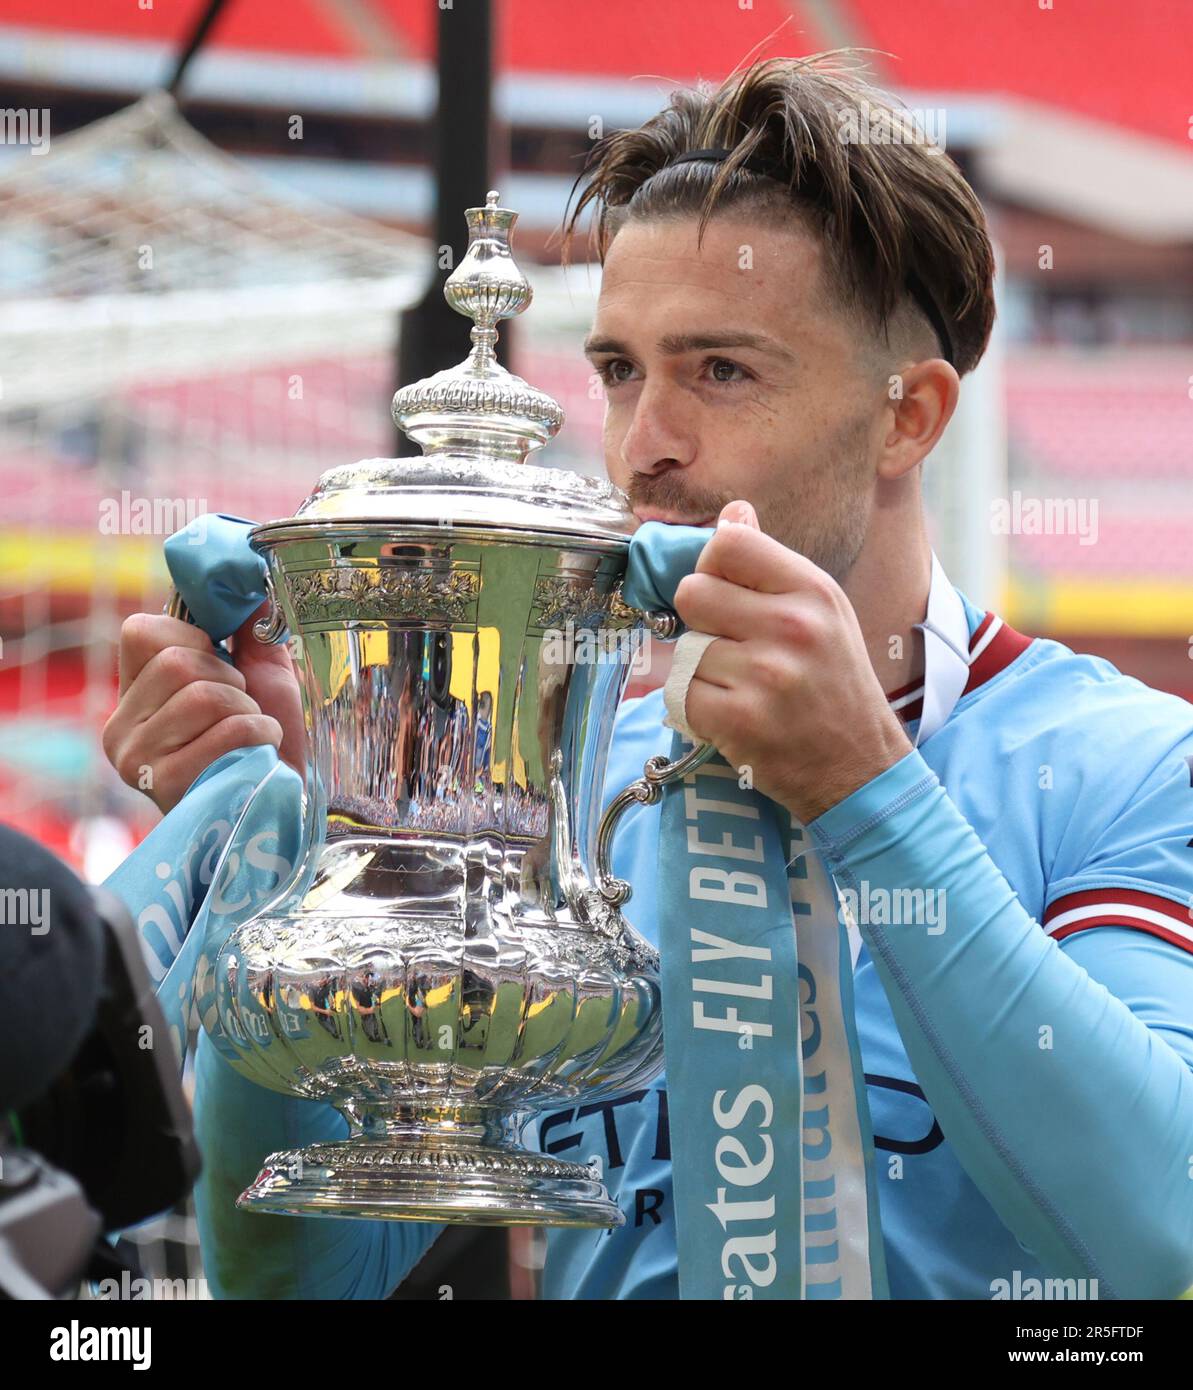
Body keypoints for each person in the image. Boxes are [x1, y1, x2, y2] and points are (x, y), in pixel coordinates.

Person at [102, 52, 1193, 1300]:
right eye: (619, 370)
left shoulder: (1112, 764)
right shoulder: (554, 782)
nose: (641, 450)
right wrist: (303, 853)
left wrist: (865, 795)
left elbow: (1157, 1228)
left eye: (719, 371)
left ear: (907, 415)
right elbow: (309, 1280)